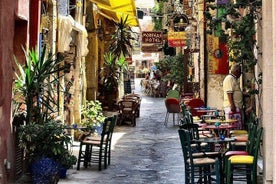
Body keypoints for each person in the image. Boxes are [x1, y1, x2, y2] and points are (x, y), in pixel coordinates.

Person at [223, 63, 243, 129]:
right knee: (233, 127)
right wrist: (232, 105)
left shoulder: (233, 79)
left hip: (235, 106)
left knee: (236, 126)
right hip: (232, 107)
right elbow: (229, 93)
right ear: (237, 71)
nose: (240, 74)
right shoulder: (230, 78)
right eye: (240, 72)